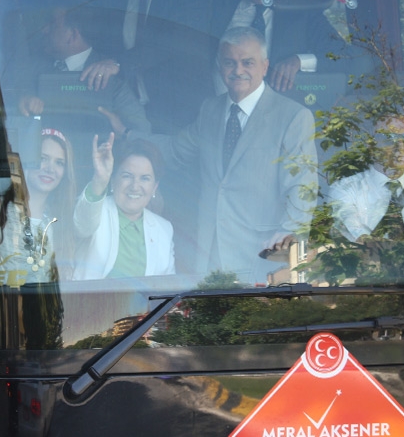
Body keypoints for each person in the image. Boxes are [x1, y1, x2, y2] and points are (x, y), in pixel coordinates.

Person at [105, 26, 317, 283]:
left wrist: (289, 235)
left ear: (264, 66)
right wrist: (127, 134)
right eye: (230, 63)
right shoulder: (211, 110)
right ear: (220, 67)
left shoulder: (293, 117)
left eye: (247, 62)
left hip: (263, 259)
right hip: (210, 258)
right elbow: (175, 150)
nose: (238, 70)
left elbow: (302, 188)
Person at [84, 0, 214, 130]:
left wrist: (117, 64)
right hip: (126, 111)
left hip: (178, 111)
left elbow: (175, 41)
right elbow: (104, 41)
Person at [211, 0, 343, 92]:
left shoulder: (300, 12)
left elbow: (347, 56)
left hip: (278, 111)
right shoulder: (217, 7)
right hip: (219, 109)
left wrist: (298, 61)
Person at [0, 128, 78, 286]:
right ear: (26, 161)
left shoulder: (59, 222)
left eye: (59, 163)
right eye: (42, 158)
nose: (50, 169)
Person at [17, 6, 152, 134]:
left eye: (53, 24)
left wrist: (121, 132)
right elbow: (6, 102)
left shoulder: (111, 74)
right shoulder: (35, 66)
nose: (44, 30)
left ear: (73, 35)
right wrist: (25, 101)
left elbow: (142, 130)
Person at [73, 135, 175, 280]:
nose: (135, 186)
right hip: (89, 302)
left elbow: (168, 289)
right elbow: (82, 224)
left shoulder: (164, 229)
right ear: (113, 181)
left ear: (154, 187)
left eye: (145, 178)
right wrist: (100, 179)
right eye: (127, 176)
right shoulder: (96, 211)